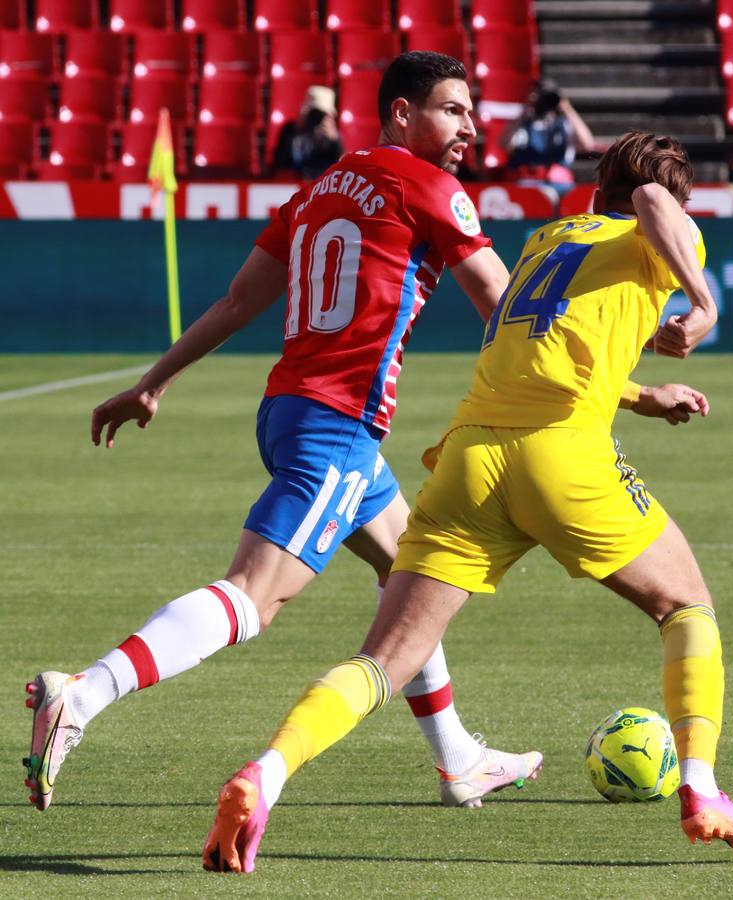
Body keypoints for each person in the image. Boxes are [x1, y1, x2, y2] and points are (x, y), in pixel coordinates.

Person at [202, 131, 733, 874]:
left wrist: (635, 395)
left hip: (469, 453)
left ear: (590, 186)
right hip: (561, 451)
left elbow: (542, 343)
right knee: (685, 607)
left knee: (383, 661)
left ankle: (266, 773)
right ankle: (701, 791)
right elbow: (651, 200)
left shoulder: (547, 240)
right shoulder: (655, 227)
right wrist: (702, 305)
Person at [23, 51, 543, 816]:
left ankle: (457, 759)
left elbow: (237, 302)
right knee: (255, 599)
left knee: (412, 576)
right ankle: (85, 692)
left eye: (472, 110)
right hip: (335, 425)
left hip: (295, 413)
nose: (471, 125)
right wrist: (620, 386)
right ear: (401, 113)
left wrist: (152, 381)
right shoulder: (432, 186)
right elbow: (503, 305)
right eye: (453, 109)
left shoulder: (318, 190)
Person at [501, 77, 596, 193]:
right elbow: (504, 144)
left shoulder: (563, 124)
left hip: (558, 184)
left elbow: (587, 144)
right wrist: (525, 108)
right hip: (527, 184)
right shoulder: (523, 125)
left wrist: (567, 109)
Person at [271, 86, 344, 181]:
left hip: (321, 185)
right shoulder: (290, 131)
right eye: (314, 112)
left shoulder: (331, 137)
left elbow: (340, 169)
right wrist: (297, 130)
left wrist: (334, 141)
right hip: (292, 184)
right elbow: (280, 164)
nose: (316, 117)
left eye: (321, 114)